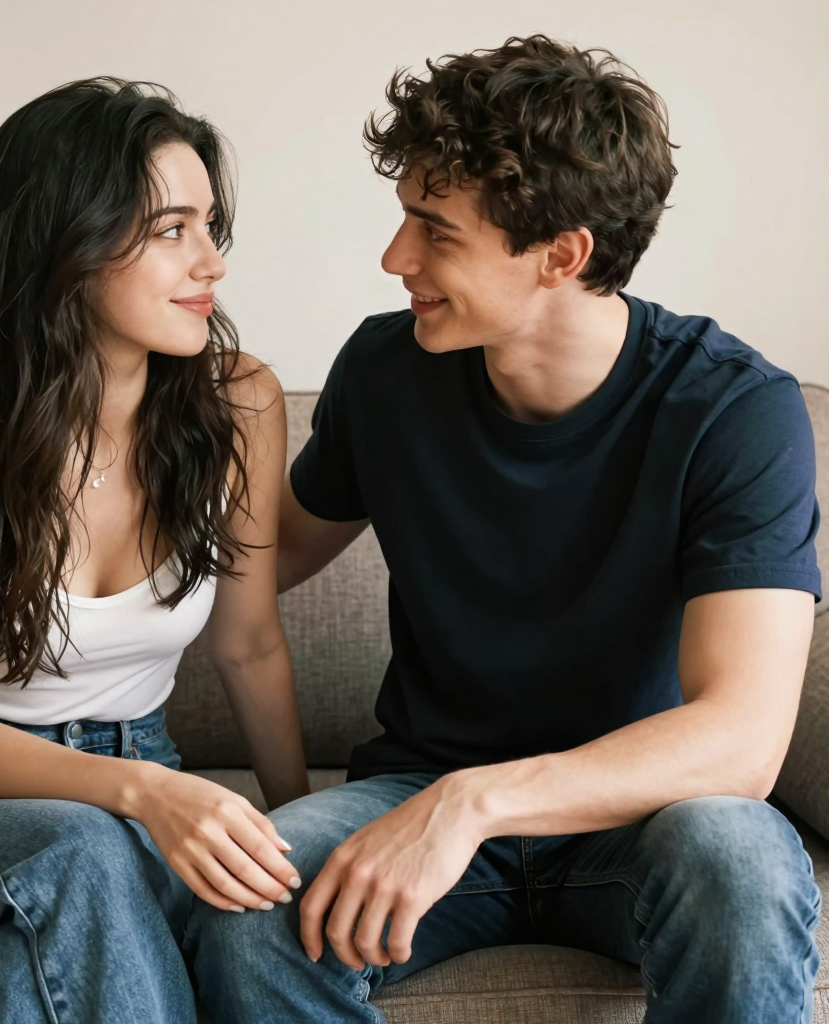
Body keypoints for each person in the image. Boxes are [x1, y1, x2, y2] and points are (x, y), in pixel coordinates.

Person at [188, 35, 823, 1023]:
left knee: (741, 863)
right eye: (404, 217)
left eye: (435, 232)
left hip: (642, 813)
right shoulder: (386, 372)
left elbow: (740, 740)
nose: (394, 259)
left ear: (562, 254)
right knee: (248, 910)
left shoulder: (733, 409)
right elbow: (253, 562)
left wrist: (471, 801)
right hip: (415, 787)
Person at [0, 78, 309, 1024]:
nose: (212, 261)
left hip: (136, 780)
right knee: (80, 855)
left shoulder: (241, 403)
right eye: (171, 230)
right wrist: (146, 793)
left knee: (19, 981)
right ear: (66, 245)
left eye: (212, 225)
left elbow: (249, 644)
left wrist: (299, 835)